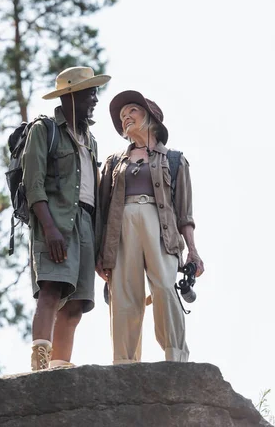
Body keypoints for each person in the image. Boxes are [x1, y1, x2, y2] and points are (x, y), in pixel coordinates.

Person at [97, 90, 204, 364]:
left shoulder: (175, 160)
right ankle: (124, 362)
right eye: (122, 116)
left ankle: (176, 357)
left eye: (132, 110)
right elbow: (102, 211)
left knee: (165, 287)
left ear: (152, 118)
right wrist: (101, 254)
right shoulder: (113, 163)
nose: (126, 118)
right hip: (121, 229)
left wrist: (192, 250)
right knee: (124, 295)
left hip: (161, 228)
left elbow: (184, 214)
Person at [22, 66, 111, 371]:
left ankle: (60, 367)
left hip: (86, 224)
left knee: (77, 303)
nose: (95, 99)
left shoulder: (91, 140)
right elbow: (33, 185)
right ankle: (40, 365)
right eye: (90, 92)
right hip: (55, 221)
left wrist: (99, 245)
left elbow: (94, 195)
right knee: (51, 289)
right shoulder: (44, 130)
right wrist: (49, 228)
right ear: (71, 95)